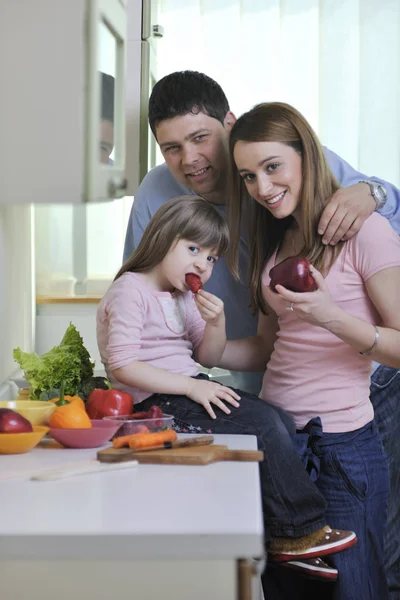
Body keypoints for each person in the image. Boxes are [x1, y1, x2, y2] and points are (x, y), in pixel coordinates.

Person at [122, 71, 400, 596]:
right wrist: (201, 356)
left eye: (201, 138)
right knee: (287, 579)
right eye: (172, 147)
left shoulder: (330, 199)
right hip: (272, 420)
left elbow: (384, 209)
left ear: (227, 125)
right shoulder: (271, 235)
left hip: (352, 412)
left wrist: (374, 190)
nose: (190, 159)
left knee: (366, 570)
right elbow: (267, 343)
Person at [98, 194, 357, 581]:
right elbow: (122, 364)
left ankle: (283, 535)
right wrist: (190, 387)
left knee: (280, 421)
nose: (202, 264)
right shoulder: (130, 291)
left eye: (211, 258)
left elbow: (207, 354)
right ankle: (301, 531)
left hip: (187, 388)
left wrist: (215, 323)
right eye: (193, 248)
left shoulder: (182, 296)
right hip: (153, 405)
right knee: (265, 426)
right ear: (162, 236)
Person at [225, 101, 400, 599]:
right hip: (281, 447)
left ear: (307, 156)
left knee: (354, 588)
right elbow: (266, 348)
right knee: (288, 591)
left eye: (272, 167)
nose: (261, 187)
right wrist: (206, 347)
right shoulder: (274, 243)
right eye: (247, 176)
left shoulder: (367, 232)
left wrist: (331, 316)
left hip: (342, 448)